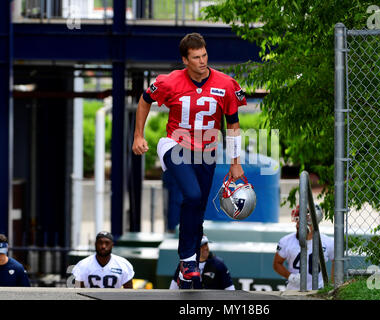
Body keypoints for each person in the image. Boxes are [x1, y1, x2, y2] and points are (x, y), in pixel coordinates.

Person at [132, 33, 247, 288]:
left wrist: (235, 161)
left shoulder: (226, 84)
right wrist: (138, 135)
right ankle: (187, 259)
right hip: (175, 145)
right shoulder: (169, 81)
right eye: (196, 57)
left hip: (207, 153)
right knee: (192, 196)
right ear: (185, 60)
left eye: (204, 55)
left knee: (199, 212)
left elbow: (234, 124)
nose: (202, 61)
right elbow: (144, 100)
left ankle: (188, 267)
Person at [273, 205, 334, 291]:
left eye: (300, 223)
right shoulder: (286, 241)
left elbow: (336, 261)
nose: (297, 226)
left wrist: (332, 284)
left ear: (312, 223)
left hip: (319, 289)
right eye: (297, 222)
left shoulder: (327, 242)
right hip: (293, 289)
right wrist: (290, 277)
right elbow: (277, 264)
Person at [169, 235, 235, 290]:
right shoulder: (185, 263)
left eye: (206, 244)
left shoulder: (218, 264)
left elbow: (230, 288)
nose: (205, 248)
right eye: (202, 245)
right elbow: (174, 287)